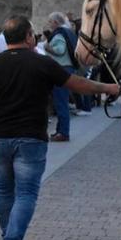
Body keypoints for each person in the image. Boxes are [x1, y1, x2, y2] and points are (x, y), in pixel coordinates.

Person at [0, 15, 120, 240]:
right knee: (26, 193)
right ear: (28, 37)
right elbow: (78, 84)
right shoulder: (42, 63)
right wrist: (109, 88)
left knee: (4, 191)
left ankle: (8, 237)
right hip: (31, 138)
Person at [44, 12, 79, 142]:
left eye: (50, 21)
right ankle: (60, 130)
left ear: (56, 22)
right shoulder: (66, 32)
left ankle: (63, 132)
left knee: (61, 102)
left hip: (61, 69)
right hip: (66, 69)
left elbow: (60, 50)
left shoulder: (59, 34)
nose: (49, 24)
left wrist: (47, 47)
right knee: (61, 101)